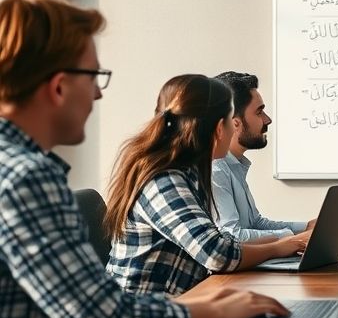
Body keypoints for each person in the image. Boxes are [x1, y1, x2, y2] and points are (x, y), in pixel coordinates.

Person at [0, 0, 288, 318]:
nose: (99, 93)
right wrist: (209, 310)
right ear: (59, 85)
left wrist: (195, 308)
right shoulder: (26, 179)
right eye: (95, 76)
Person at [104, 74, 307, 296]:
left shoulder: (189, 172)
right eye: (231, 121)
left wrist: (278, 243)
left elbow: (223, 242)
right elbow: (216, 254)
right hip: (144, 315)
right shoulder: (164, 180)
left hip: (180, 302)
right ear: (220, 127)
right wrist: (277, 247)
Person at [210, 71, 314, 241]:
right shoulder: (216, 170)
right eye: (259, 112)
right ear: (235, 123)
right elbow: (232, 235)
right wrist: (295, 238)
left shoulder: (234, 165)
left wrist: (305, 227)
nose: (268, 120)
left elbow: (255, 223)